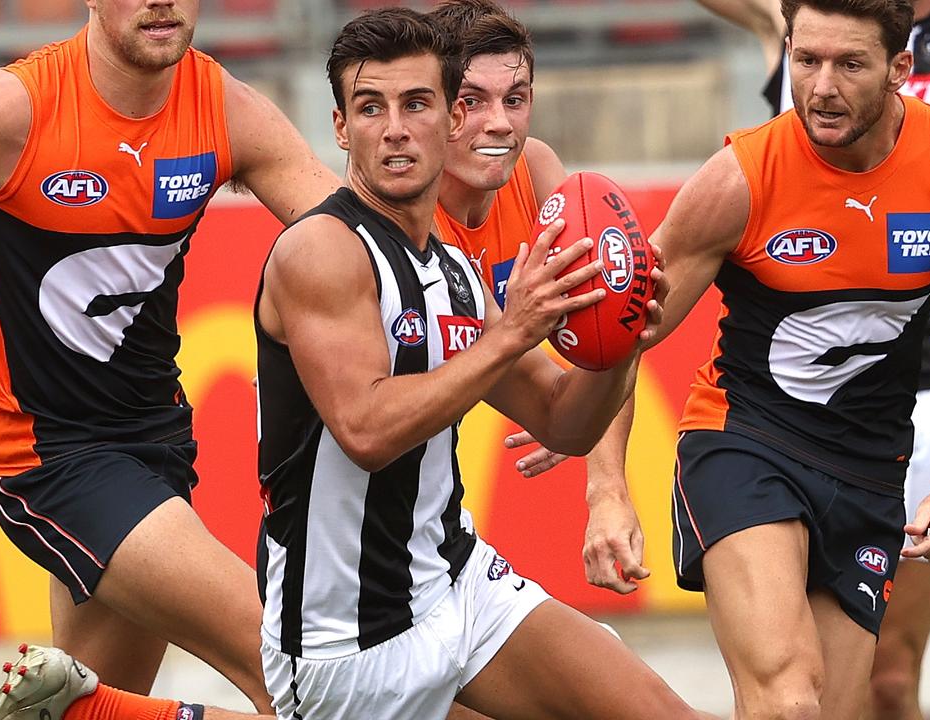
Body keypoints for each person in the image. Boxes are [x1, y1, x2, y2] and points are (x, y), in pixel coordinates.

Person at [0, 1, 339, 718]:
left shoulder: (226, 109)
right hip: (54, 459)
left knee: (95, 707)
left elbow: (354, 247)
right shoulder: (7, 110)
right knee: (290, 667)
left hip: (158, 447)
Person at [254, 8, 700, 719]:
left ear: (443, 121)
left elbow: (564, 421)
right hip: (349, 639)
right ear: (341, 128)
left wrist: (623, 344)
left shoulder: (457, 268)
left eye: (417, 104)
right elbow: (365, 432)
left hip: (457, 580)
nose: (396, 128)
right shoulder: (322, 249)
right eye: (371, 108)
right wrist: (511, 333)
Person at [636, 0, 930, 716]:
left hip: (870, 469)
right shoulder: (738, 177)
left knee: (859, 703)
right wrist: (605, 489)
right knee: (789, 700)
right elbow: (624, 334)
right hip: (745, 440)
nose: (821, 86)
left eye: (849, 64)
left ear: (900, 69)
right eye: (806, 59)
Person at [428, 0, 650, 596]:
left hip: (433, 514)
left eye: (516, 99)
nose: (500, 123)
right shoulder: (398, 218)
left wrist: (607, 491)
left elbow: (604, 326)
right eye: (470, 102)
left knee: (618, 689)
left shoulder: (535, 172)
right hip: (356, 526)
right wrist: (540, 385)